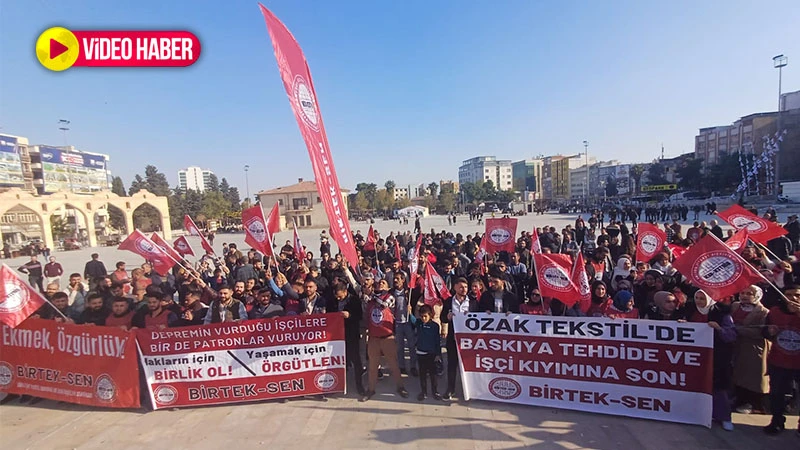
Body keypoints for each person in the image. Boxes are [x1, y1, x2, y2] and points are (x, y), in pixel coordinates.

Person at [689, 290, 736, 431]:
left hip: (717, 357)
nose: (699, 301)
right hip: (696, 356)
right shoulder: (690, 311)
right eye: (696, 297)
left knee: (718, 388)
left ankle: (724, 417)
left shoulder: (722, 314)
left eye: (702, 298)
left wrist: (719, 329)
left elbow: (732, 335)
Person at [360, 279, 408, 402]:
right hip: (373, 338)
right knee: (372, 366)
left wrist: (370, 295)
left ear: (388, 287)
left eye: (383, 282)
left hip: (387, 338)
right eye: (379, 282)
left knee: (393, 364)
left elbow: (383, 305)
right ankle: (371, 389)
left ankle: (400, 386)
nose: (380, 284)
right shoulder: (370, 299)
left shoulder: (390, 297)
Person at [762, 285, 800, 435]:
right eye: (789, 295)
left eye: (797, 295)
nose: (793, 299)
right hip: (779, 361)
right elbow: (764, 331)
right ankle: (777, 420)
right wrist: (769, 331)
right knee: (777, 394)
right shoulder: (775, 311)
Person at [731, 285, 770, 414]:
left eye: (749, 293)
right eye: (743, 292)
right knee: (738, 373)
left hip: (754, 348)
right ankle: (739, 399)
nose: (745, 296)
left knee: (753, 376)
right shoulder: (735, 306)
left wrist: (737, 329)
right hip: (737, 346)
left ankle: (754, 404)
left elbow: (762, 332)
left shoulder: (764, 312)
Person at [440, 277, 477, 400]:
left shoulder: (473, 302)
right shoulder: (449, 301)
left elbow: (480, 318)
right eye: (461, 287)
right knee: (452, 364)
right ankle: (451, 389)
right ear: (455, 287)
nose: (464, 289)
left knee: (470, 365)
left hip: (469, 341)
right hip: (453, 338)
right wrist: (447, 316)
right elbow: (442, 318)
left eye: (466, 287)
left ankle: (472, 390)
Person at [330, 283, 365, 395]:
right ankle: (337, 385)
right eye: (336, 296)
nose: (338, 298)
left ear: (345, 292)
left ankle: (359, 385)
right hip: (336, 335)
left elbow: (359, 316)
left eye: (340, 296)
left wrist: (349, 315)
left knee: (356, 360)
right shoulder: (333, 301)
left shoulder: (354, 300)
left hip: (351, 334)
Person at [392, 272, 418, 376]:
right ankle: (401, 367)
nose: (395, 281)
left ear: (403, 280)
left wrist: (410, 310)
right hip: (397, 323)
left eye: (398, 278)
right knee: (400, 347)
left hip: (408, 323)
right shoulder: (392, 293)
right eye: (394, 278)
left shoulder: (409, 293)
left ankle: (413, 366)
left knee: (411, 346)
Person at [414, 304, 441, 401]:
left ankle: (435, 391)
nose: (423, 318)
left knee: (433, 375)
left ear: (430, 315)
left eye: (425, 316)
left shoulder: (435, 326)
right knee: (422, 374)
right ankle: (423, 392)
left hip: (431, 354)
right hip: (421, 353)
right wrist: (409, 312)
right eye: (421, 316)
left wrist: (438, 354)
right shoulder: (419, 323)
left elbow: (437, 340)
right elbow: (412, 320)